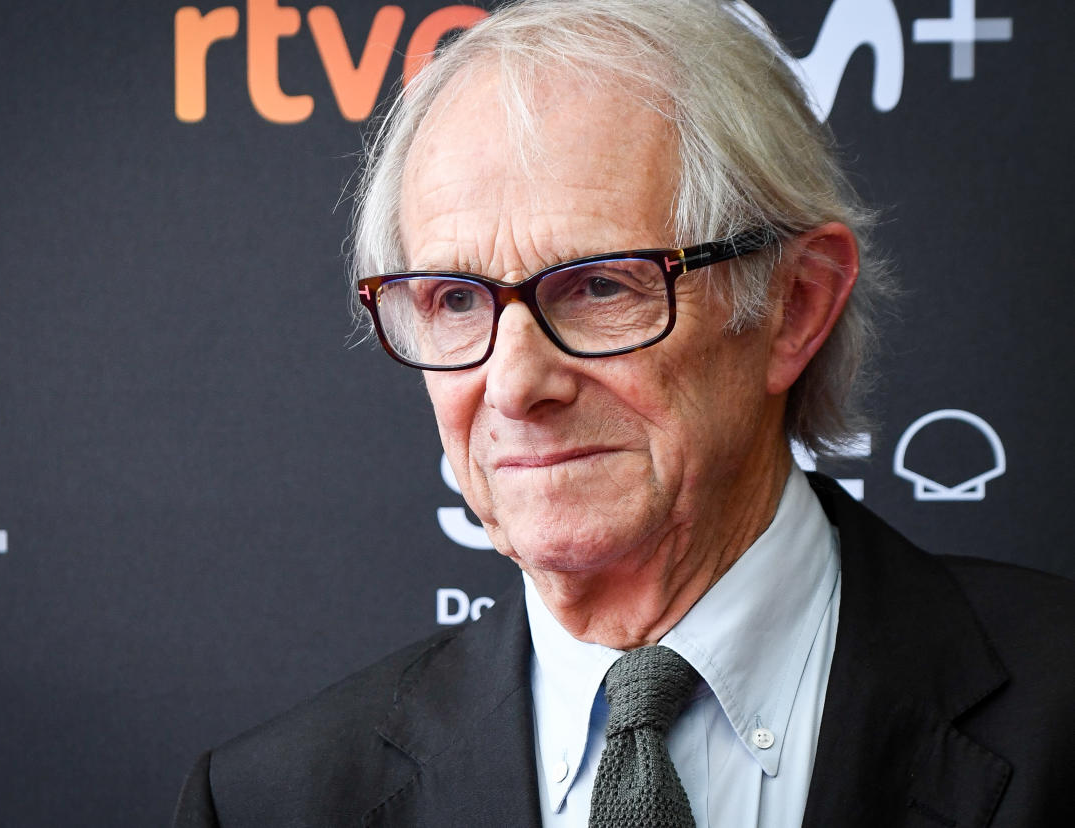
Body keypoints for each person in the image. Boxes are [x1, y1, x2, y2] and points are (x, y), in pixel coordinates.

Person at [173, 1, 1075, 825]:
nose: (515, 384)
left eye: (601, 285)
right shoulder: (272, 801)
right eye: (454, 299)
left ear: (795, 306)